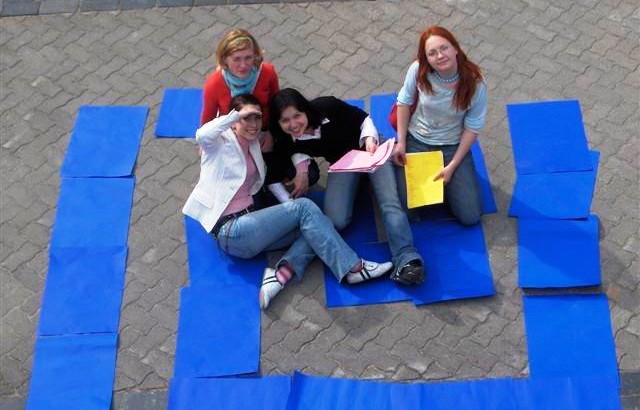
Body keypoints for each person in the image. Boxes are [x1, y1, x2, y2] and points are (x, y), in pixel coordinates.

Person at [183, 94, 393, 309]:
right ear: (234, 118)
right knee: (305, 208)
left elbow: (289, 150)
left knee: (318, 226)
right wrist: (235, 115)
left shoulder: (254, 145)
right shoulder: (219, 143)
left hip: (252, 229)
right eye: (247, 118)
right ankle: (353, 268)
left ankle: (280, 275)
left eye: (257, 118)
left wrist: (301, 170)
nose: (253, 124)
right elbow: (202, 134)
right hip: (232, 229)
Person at [269, 88, 425, 286]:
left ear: (306, 110)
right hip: (344, 165)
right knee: (336, 219)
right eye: (285, 120)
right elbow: (290, 155)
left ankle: (407, 259)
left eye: (297, 116)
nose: (293, 125)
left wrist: (370, 139)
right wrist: (302, 169)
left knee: (390, 203)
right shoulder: (284, 138)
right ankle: (287, 266)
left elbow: (363, 119)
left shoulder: (328, 106)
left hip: (370, 151)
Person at [201, 28, 318, 202]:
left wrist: (271, 132)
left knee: (312, 175)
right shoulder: (214, 84)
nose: (243, 65)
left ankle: (272, 180)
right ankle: (271, 183)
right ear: (224, 59)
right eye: (236, 59)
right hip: (237, 139)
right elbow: (207, 122)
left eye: (248, 57)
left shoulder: (268, 72)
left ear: (256, 55)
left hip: (266, 133)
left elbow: (279, 105)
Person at [392, 26, 488, 226]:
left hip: (452, 146)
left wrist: (452, 166)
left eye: (444, 48)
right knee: (408, 214)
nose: (440, 56)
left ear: (455, 49)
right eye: (432, 53)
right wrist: (401, 142)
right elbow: (403, 103)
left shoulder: (475, 83)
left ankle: (451, 180)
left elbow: (472, 127)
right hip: (416, 140)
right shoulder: (418, 70)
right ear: (426, 58)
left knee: (470, 216)